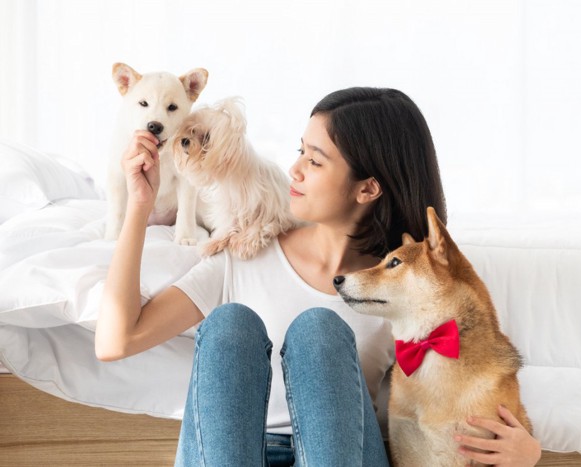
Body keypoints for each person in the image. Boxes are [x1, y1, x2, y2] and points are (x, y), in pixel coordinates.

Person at [96, 87, 541, 466]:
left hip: (338, 452)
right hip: (233, 452)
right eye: (299, 152)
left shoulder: (405, 288)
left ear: (367, 188)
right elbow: (115, 341)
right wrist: (140, 203)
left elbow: (472, 384)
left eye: (316, 160)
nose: (295, 170)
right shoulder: (244, 254)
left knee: (320, 330)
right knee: (231, 323)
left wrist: (529, 452)